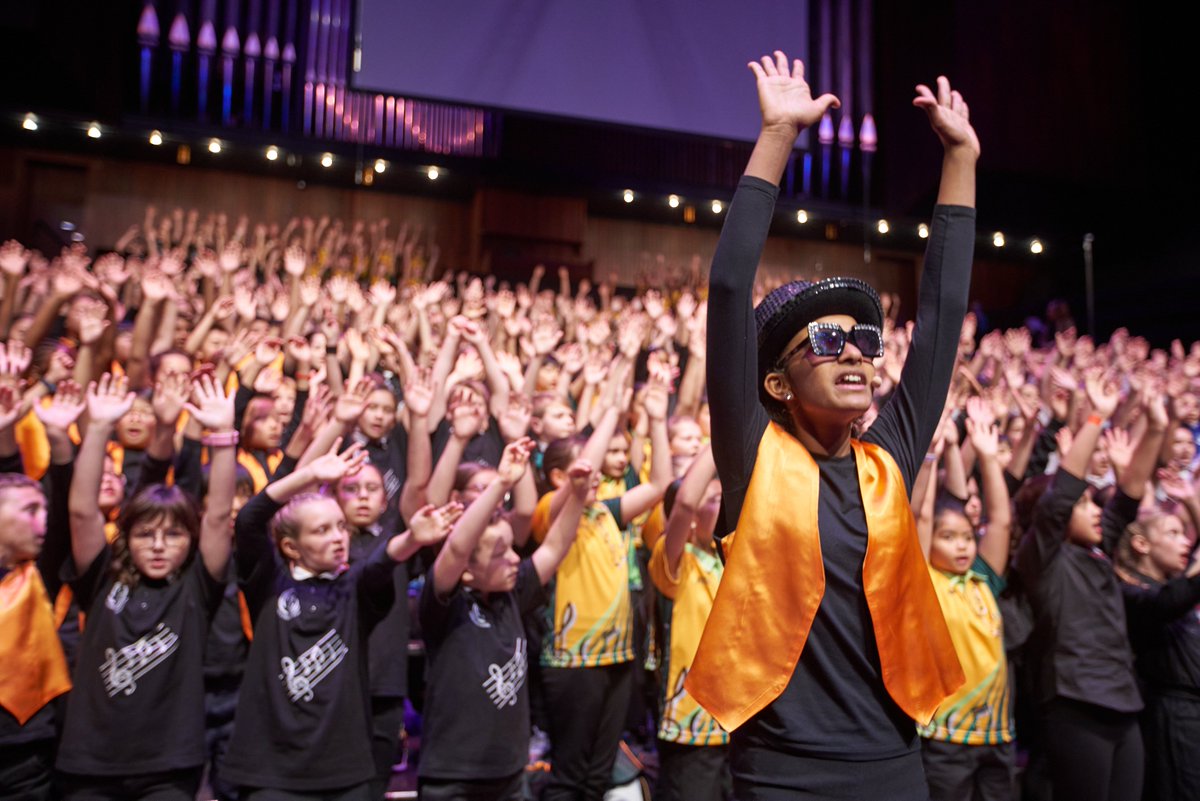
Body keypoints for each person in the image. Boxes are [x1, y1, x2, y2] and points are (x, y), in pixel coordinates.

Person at [686, 51, 978, 799]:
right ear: (777, 382)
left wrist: (960, 160)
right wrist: (778, 135)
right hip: (780, 772)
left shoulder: (888, 460)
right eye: (823, 339)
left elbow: (942, 316)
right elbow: (726, 290)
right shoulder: (753, 455)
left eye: (865, 339)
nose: (853, 349)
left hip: (892, 762)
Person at [220, 439, 460, 799]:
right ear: (290, 546)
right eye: (321, 531)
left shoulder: (354, 588)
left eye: (340, 528)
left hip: (344, 773)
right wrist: (308, 475)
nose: (338, 538)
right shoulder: (269, 585)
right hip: (272, 772)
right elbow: (250, 520)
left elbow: (380, 565)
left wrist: (411, 538)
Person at [56, 372, 237, 800]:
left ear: (190, 541)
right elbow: (82, 512)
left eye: (173, 535)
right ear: (125, 537)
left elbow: (217, 514)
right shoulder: (103, 578)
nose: (158, 546)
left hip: (168, 766)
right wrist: (98, 427)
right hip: (90, 763)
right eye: (144, 535)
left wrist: (224, 435)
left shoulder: (196, 584)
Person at [1015, 380, 1166, 801]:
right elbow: (1059, 497)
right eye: (1085, 506)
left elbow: (1131, 492)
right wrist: (1095, 418)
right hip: (1075, 702)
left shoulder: (1097, 549)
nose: (1095, 511)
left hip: (1123, 699)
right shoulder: (1042, 559)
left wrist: (1156, 426)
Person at [417, 438, 589, 801]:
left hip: (510, 773)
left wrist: (578, 494)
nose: (514, 559)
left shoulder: (512, 593)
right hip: (454, 779)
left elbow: (556, 546)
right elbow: (458, 548)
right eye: (500, 553)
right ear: (466, 571)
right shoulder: (443, 605)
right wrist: (501, 484)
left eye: (512, 547)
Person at [915, 399, 1015, 800]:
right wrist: (933, 455)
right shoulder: (925, 581)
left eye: (966, 537)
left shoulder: (983, 580)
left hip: (997, 735)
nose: (962, 546)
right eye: (948, 537)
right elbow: (919, 516)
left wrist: (989, 459)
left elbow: (1001, 520)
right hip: (944, 738)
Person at [647, 445, 729, 801]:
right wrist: (718, 439)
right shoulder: (674, 560)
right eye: (714, 499)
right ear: (694, 517)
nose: (724, 504)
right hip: (690, 722)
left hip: (735, 720)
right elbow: (682, 503)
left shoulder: (729, 556)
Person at [1115, 511, 1200, 801]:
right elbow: (1168, 602)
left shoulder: (1171, 590)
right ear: (1142, 544)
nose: (1185, 543)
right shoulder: (1132, 591)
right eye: (1172, 534)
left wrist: (1190, 500)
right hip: (1172, 713)